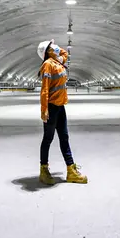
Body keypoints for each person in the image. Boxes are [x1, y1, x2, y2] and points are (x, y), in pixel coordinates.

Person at [37, 39, 88, 185]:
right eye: (52, 46)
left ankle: (71, 171)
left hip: (60, 107)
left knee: (64, 137)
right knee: (48, 139)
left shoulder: (58, 62)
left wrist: (56, 48)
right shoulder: (48, 65)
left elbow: (65, 54)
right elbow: (44, 89)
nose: (56, 47)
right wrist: (44, 109)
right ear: (47, 52)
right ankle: (44, 170)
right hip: (52, 107)